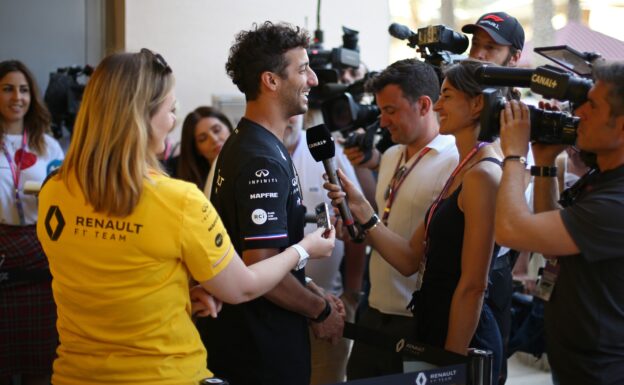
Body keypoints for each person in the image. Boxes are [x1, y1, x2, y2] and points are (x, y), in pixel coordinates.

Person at [35, 49, 335, 385]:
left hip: (75, 375)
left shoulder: (53, 191)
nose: (173, 121)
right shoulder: (176, 201)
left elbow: (110, 280)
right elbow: (243, 287)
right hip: (163, 375)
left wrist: (178, 296)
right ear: (142, 117)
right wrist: (305, 249)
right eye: (171, 110)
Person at [327, 59, 505, 380]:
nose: (382, 122)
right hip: (384, 311)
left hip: (428, 323)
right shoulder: (399, 155)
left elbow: (474, 284)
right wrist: (360, 218)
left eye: (447, 96)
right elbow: (408, 253)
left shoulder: (470, 166)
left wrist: (450, 363)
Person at [206, 22, 345, 385]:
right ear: (271, 80)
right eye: (302, 69)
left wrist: (311, 288)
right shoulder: (260, 158)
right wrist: (321, 310)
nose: (313, 79)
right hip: (260, 353)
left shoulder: (253, 142)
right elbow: (261, 270)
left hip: (256, 343)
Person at [496, 61, 624, 384]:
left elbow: (511, 229)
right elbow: (547, 232)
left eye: (592, 105)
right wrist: (543, 163)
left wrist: (514, 154)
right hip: (575, 362)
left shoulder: (617, 202)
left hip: (602, 371)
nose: (578, 113)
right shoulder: (603, 179)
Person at [338, 58, 458, 379]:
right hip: (374, 311)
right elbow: (385, 226)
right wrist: (354, 227)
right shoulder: (391, 155)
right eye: (380, 111)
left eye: (391, 110)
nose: (383, 121)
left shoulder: (454, 160)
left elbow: (416, 255)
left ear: (423, 105)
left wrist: (364, 212)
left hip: (416, 320)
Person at [462, 13, 526, 383]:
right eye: (476, 45)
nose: (479, 55)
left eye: (491, 47)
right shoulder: (452, 104)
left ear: (514, 58)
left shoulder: (521, 118)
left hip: (494, 271)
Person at [283, 114, 366, 384]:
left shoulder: (326, 152)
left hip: (330, 302)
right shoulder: (249, 150)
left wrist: (352, 292)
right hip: (271, 308)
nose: (288, 120)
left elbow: (355, 223)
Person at [0, 60, 64, 385]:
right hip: (1, 250)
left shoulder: (48, 145)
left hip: (40, 250)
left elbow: (66, 197)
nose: (17, 97)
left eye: (23, 90)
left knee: (41, 362)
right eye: (8, 88)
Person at [171, 106, 233, 191]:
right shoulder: (191, 187)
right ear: (196, 150)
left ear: (228, 128)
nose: (214, 139)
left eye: (217, 130)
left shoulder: (251, 160)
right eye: (203, 139)